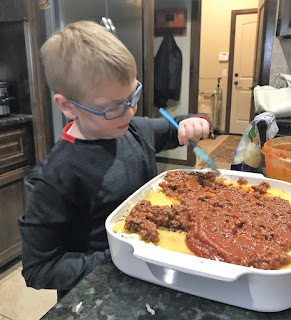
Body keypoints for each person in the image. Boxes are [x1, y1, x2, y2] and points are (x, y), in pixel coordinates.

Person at [18, 21, 210, 300]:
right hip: (99, 292)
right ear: (68, 106)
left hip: (148, 277)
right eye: (112, 108)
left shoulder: (134, 128)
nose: (129, 112)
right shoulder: (54, 178)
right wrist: (122, 257)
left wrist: (194, 122)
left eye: (132, 96)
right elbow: (39, 269)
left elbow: (175, 128)